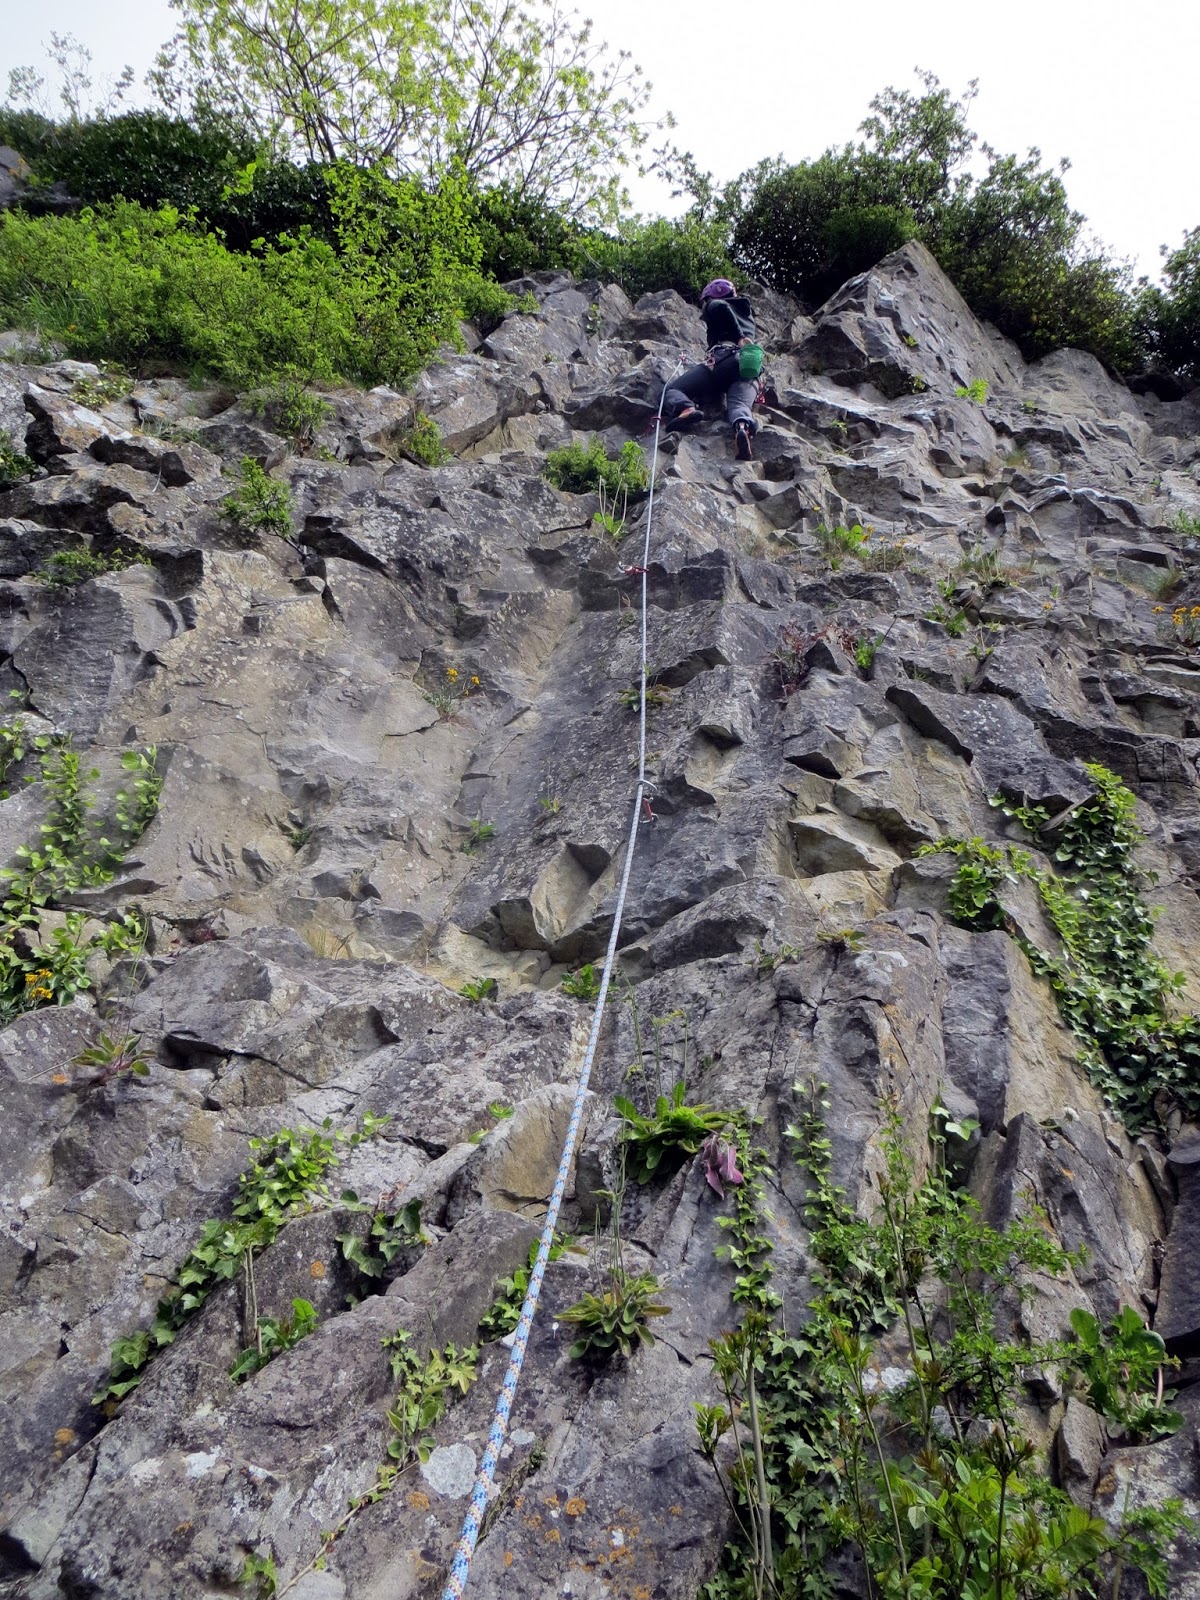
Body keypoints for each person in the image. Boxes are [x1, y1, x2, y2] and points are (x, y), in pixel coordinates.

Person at [662, 278, 762, 461]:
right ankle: (742, 428)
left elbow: (720, 307)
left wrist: (739, 337)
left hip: (723, 360)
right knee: (739, 405)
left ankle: (686, 409)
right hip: (748, 366)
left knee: (673, 390)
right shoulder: (747, 315)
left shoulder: (714, 305)